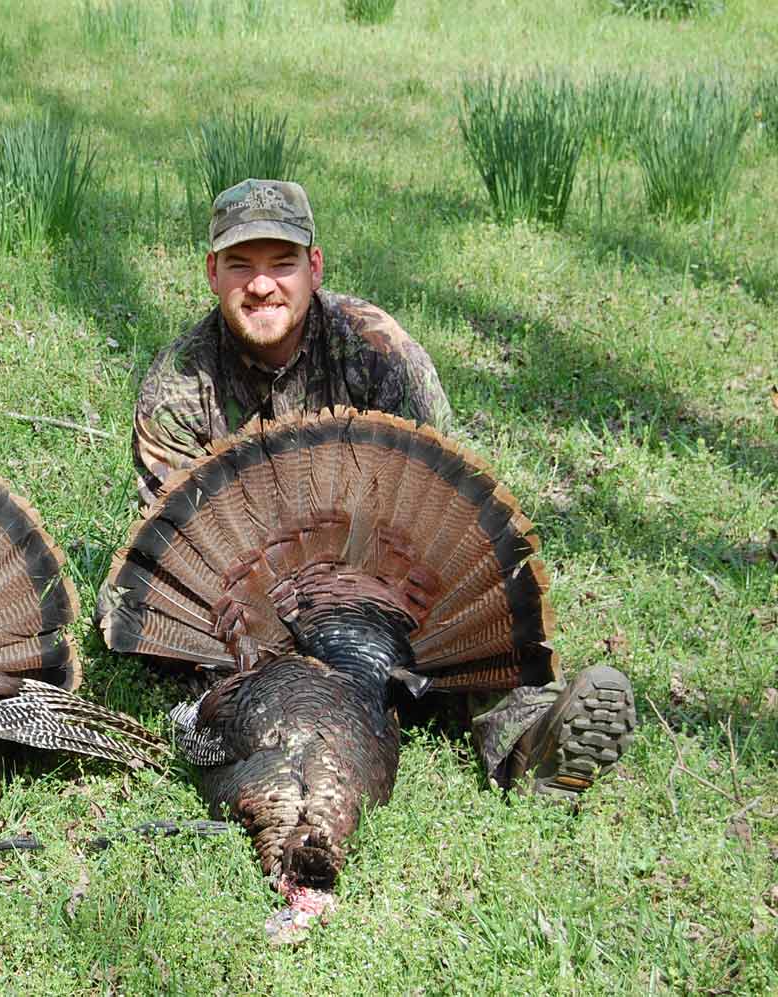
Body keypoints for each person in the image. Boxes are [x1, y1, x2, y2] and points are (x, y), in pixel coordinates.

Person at [130, 178, 634, 801]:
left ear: (313, 267)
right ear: (213, 273)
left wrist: (404, 591)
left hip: (388, 587)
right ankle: (292, 735)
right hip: (258, 616)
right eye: (241, 266)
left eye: (281, 264)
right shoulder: (179, 386)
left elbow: (444, 512)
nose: (261, 286)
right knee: (180, 652)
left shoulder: (378, 352)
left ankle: (531, 742)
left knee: (463, 628)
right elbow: (178, 554)